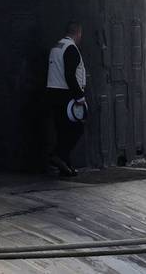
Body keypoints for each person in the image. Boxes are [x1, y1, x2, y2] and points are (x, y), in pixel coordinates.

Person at [45, 21, 87, 177]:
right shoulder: (71, 48)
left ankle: (65, 165)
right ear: (78, 33)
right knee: (77, 129)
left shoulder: (57, 47)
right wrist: (79, 96)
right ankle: (58, 156)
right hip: (67, 96)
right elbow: (69, 75)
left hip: (53, 93)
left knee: (62, 131)